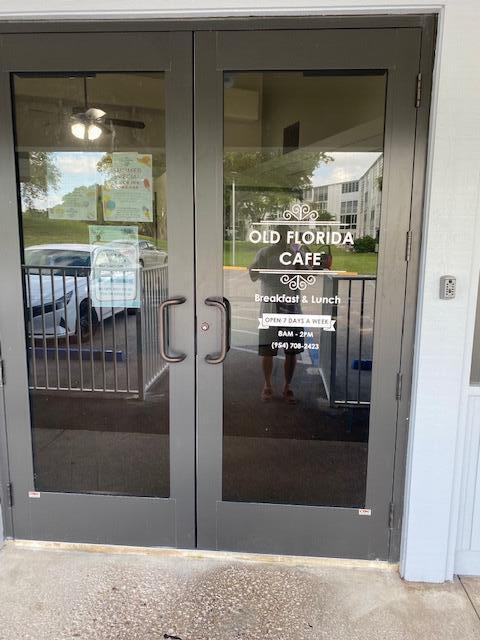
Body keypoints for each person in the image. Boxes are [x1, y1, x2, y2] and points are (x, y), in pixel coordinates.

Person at [249, 226, 305, 404]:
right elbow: (253, 274)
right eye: (279, 235)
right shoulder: (264, 252)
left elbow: (304, 277)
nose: (282, 238)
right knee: (268, 350)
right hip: (270, 307)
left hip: (291, 307)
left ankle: (287, 386)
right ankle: (267, 385)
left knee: (291, 351)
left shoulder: (297, 252)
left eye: (285, 235)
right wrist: (256, 266)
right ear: (274, 236)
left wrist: (298, 262)